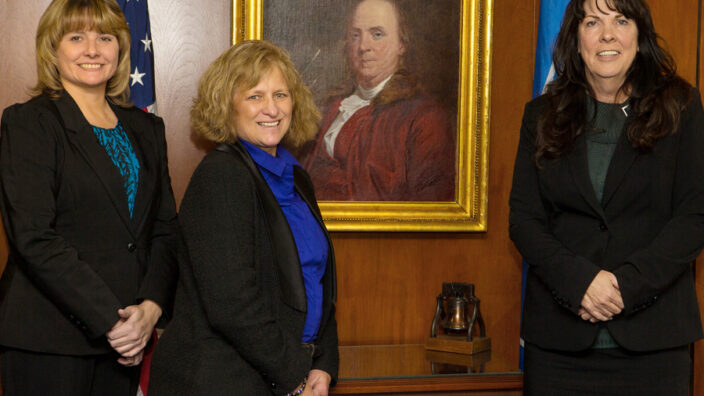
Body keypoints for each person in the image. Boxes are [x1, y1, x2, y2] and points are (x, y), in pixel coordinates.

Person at [509, 0, 704, 394]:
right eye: (592, 21)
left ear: (639, 33)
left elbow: (694, 216)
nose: (607, 34)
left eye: (621, 20)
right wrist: (581, 282)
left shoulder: (681, 106)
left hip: (655, 349)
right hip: (560, 350)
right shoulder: (540, 115)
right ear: (575, 37)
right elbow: (524, 220)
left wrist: (623, 287)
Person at [0, 0, 178, 394]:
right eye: (76, 37)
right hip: (49, 342)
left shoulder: (147, 128)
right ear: (53, 48)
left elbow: (165, 230)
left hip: (127, 341)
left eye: (105, 37)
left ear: (121, 48)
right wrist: (111, 323)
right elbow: (34, 237)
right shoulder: (29, 122)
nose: (93, 49)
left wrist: (150, 309)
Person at [148, 40, 339, 396]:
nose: (271, 108)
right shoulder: (221, 176)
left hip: (285, 374)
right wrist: (294, 378)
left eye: (281, 95)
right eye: (254, 96)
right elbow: (232, 304)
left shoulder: (296, 178)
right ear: (227, 105)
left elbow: (318, 279)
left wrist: (323, 363)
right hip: (221, 379)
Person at [299, 0, 455, 201]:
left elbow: (431, 205)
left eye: (377, 35)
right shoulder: (330, 109)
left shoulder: (426, 118)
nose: (363, 46)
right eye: (356, 35)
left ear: (402, 44)